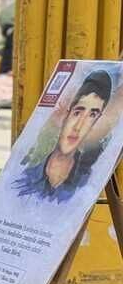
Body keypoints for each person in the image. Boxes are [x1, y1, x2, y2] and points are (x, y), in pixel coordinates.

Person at [13, 70, 113, 203]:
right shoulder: (25, 175)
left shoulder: (86, 181)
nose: (78, 127)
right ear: (65, 114)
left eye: (92, 115)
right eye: (77, 112)